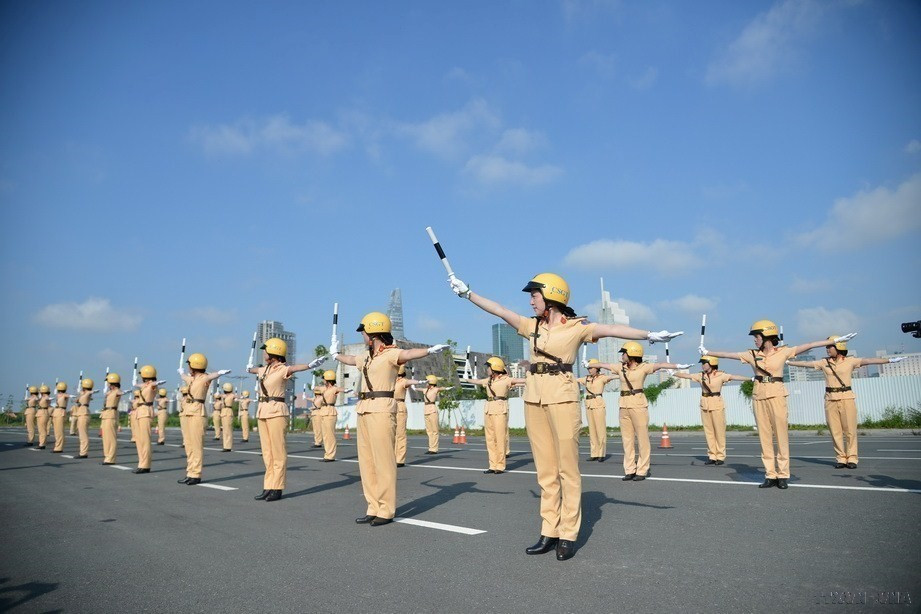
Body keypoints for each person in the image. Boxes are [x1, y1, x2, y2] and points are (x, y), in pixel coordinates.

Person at [446, 271, 682, 560]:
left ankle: (568, 533)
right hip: (534, 398)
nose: (531, 301)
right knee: (545, 472)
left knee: (567, 470)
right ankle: (549, 530)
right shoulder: (532, 326)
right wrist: (468, 293)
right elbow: (500, 310)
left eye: (534, 295)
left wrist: (650, 336)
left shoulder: (576, 328)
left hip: (563, 397)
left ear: (552, 297)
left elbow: (611, 329)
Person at [700, 320, 854, 490]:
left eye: (756, 336)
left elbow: (808, 345)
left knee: (781, 436)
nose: (754, 340)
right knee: (764, 438)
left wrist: (833, 342)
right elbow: (730, 355)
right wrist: (709, 352)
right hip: (759, 397)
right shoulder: (752, 354)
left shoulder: (783, 352)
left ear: (766, 336)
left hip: (777, 396)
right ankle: (770, 474)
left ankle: (783, 474)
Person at [331, 312, 448, 526]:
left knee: (383, 461)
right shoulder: (367, 356)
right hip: (364, 409)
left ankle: (385, 509)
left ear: (373, 334)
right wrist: (336, 355)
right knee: (367, 462)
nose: (362, 336)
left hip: (383, 408)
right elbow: (351, 360)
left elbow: (408, 354)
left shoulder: (391, 354)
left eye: (364, 332)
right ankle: (373, 506)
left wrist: (429, 351)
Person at [786, 336, 902, 470]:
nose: (827, 349)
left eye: (830, 347)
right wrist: (789, 362)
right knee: (835, 432)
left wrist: (889, 360)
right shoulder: (824, 363)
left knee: (850, 431)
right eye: (827, 346)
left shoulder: (850, 361)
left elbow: (869, 360)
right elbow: (807, 365)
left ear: (839, 348)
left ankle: (852, 458)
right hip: (830, 399)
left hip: (847, 398)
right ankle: (841, 458)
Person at [592, 343, 689, 481]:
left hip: (638, 405)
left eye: (624, 353)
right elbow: (605, 365)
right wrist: (589, 364)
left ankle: (642, 470)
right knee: (627, 440)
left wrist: (678, 366)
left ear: (632, 354)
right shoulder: (620, 367)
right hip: (623, 405)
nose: (622, 355)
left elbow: (660, 365)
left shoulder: (643, 367)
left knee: (642, 439)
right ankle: (630, 469)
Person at [246, 338, 324, 502]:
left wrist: (310, 366)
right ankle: (268, 485)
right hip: (263, 411)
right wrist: (249, 369)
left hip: (276, 411)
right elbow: (253, 370)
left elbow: (295, 368)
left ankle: (277, 487)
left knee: (278, 451)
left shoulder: (282, 369)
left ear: (274, 352)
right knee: (267, 453)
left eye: (265, 350)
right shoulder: (264, 369)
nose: (264, 353)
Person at [672, 356, 749, 465]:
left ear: (711, 363)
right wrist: (673, 373)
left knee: (719, 432)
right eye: (702, 363)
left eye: (704, 363)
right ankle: (712, 455)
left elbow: (734, 376)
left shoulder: (720, 375)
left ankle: (720, 456)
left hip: (716, 403)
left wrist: (750, 378)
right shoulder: (700, 375)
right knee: (709, 432)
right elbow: (687, 376)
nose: (703, 365)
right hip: (705, 404)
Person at [461, 357, 525, 474]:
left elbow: (521, 380)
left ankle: (500, 466)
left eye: (488, 367)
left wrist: (534, 379)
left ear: (494, 368)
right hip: (489, 409)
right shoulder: (489, 380)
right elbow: (478, 382)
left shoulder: (506, 380)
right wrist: (467, 379)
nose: (487, 370)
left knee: (500, 438)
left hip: (500, 409)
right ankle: (492, 465)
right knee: (490, 439)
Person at [178, 353, 231, 485]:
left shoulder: (203, 379)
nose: (188, 367)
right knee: (188, 445)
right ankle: (190, 472)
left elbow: (211, 376)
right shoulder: (192, 379)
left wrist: (219, 372)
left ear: (194, 365)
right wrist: (181, 372)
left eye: (189, 365)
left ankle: (196, 474)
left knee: (196, 445)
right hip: (187, 411)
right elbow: (185, 378)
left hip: (197, 412)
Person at [576, 359, 614, 462]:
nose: (589, 370)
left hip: (598, 404)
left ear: (597, 368)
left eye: (591, 368)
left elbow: (613, 377)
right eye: (588, 368)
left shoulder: (602, 378)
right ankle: (594, 453)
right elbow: (575, 380)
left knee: (600, 430)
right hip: (589, 405)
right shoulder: (587, 378)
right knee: (592, 431)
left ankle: (601, 454)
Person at [313, 370, 349, 462]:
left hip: (330, 411)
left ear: (328, 380)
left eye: (324, 379)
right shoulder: (324, 389)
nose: (323, 381)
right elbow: (315, 388)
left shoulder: (334, 389)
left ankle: (330, 455)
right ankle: (327, 454)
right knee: (325, 435)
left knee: (330, 435)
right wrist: (314, 384)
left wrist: (347, 390)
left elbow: (340, 389)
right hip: (323, 411)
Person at [394, 366, 423, 467]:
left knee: (400, 434)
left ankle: (399, 459)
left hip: (399, 405)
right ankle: (391, 457)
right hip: (389, 406)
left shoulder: (403, 381)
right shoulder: (390, 380)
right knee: (390, 434)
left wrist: (419, 382)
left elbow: (410, 382)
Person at [420, 375, 451, 454]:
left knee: (434, 430)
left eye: (427, 381)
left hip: (432, 410)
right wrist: (411, 386)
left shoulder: (435, 389)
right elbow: (417, 389)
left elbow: (441, 388)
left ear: (431, 382)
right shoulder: (425, 390)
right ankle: (430, 448)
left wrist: (447, 388)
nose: (426, 383)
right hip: (426, 410)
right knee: (429, 431)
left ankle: (434, 449)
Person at [101, 373, 127, 464]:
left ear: (112, 383)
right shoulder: (109, 392)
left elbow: (121, 393)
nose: (107, 384)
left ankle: (111, 459)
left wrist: (125, 392)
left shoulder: (117, 391)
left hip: (111, 414)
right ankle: (107, 457)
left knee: (111, 438)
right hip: (105, 414)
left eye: (108, 383)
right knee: (105, 437)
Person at [73, 378, 96, 458]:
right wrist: (80, 393)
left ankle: (83, 453)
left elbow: (91, 392)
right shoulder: (83, 394)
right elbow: (76, 400)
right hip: (81, 413)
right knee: (81, 435)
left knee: (83, 435)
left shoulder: (88, 393)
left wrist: (89, 392)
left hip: (84, 413)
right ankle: (82, 452)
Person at [51, 382, 69, 453]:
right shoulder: (58, 395)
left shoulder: (65, 395)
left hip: (61, 412)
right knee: (56, 431)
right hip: (56, 411)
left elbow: (68, 396)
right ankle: (57, 446)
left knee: (59, 431)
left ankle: (59, 447)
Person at [220, 383, 236, 452]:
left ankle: (228, 446)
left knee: (228, 430)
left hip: (228, 411)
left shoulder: (232, 395)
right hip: (223, 412)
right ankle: (225, 446)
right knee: (225, 430)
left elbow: (236, 397)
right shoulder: (224, 396)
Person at [36, 385, 51, 450]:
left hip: (44, 412)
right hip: (40, 412)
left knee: (42, 429)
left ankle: (42, 444)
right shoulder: (42, 397)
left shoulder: (46, 397)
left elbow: (48, 398)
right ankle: (41, 443)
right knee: (40, 429)